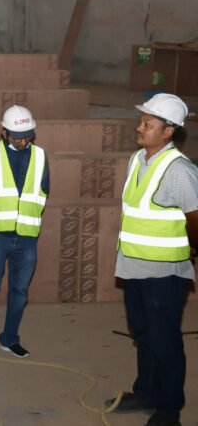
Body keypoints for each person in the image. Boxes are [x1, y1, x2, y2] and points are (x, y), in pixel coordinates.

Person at [104, 94, 197, 426]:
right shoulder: (138, 159)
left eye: (148, 123)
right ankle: (145, 393)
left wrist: (190, 250)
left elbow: (195, 218)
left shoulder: (179, 170)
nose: (139, 127)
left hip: (164, 273)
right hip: (133, 266)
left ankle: (169, 411)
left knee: (164, 341)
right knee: (143, 333)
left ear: (169, 131)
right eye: (141, 121)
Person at [0, 105, 49, 358]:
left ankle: (10, 337)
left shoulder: (40, 156)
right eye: (17, 137)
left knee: (19, 291)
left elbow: (44, 189)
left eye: (28, 136)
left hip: (27, 236)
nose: (23, 141)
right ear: (4, 132)